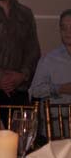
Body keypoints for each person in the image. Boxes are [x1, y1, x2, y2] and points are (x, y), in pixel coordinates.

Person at [29, 9, 71, 140]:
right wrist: (60, 89)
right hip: (55, 130)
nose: (67, 32)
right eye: (63, 28)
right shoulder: (49, 59)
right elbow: (33, 92)